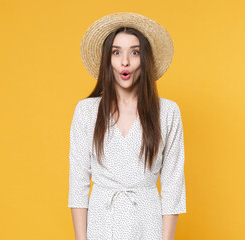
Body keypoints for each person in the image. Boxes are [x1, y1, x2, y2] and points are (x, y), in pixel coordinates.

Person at [68, 12, 186, 240]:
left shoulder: (167, 112)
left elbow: (173, 187)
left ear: (146, 59)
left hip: (147, 223)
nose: (125, 62)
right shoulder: (87, 111)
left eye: (135, 52)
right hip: (101, 223)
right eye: (116, 52)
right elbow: (78, 183)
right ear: (107, 59)